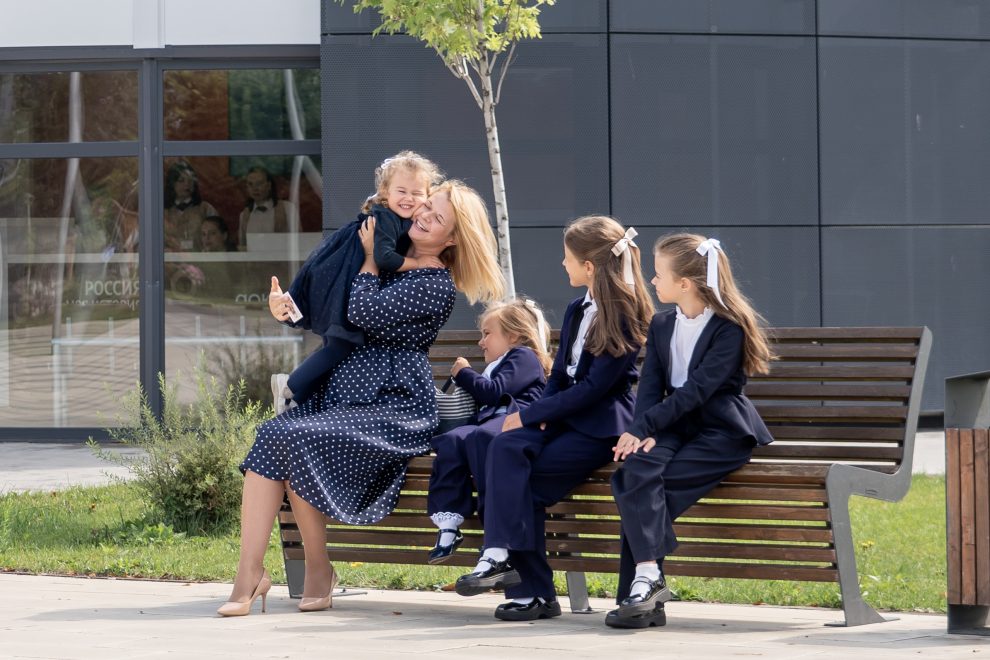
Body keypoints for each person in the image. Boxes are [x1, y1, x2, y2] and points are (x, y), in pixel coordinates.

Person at [216, 180, 505, 617]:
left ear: (452, 239)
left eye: (437, 216)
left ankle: (318, 570)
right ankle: (249, 574)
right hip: (347, 397)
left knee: (295, 437)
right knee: (274, 434)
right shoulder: (393, 256)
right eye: (427, 205)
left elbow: (362, 311)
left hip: (395, 406)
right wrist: (287, 308)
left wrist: (371, 257)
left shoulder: (434, 282)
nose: (423, 214)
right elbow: (333, 303)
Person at [453, 216, 654, 622]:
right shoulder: (576, 308)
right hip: (564, 417)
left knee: (521, 483)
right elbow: (560, 375)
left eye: (567, 258)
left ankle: (532, 592)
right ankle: (498, 556)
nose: (562, 265)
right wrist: (536, 418)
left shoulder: (624, 314)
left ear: (590, 267)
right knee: (504, 445)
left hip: (601, 427)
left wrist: (533, 413)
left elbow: (595, 389)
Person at [604, 233, 774, 629]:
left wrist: (649, 424)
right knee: (633, 472)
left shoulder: (728, 328)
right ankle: (647, 581)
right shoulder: (662, 323)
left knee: (644, 492)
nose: (652, 281)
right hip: (673, 426)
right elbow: (650, 385)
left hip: (720, 432)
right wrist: (639, 430)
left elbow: (698, 391)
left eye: (658, 273)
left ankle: (640, 594)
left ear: (686, 283)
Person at [269, 152, 444, 412]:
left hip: (344, 276)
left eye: (417, 194)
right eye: (401, 191)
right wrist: (417, 264)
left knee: (336, 344)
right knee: (340, 344)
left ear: (428, 195)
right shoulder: (386, 220)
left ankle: (293, 398)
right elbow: (384, 258)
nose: (409, 199)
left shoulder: (395, 219)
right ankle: (291, 387)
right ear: (385, 191)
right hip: (346, 276)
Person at [426, 298, 552, 563]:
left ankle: (494, 529)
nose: (481, 342)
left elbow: (495, 394)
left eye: (487, 334)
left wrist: (465, 373)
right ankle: (448, 524)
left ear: (514, 335)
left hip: (514, 422)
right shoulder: (501, 361)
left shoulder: (524, 356)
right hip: (489, 423)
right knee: (450, 440)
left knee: (484, 437)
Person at [237, 166, 297, 248]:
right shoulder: (244, 215)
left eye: (259, 183)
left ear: (269, 185)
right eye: (250, 184)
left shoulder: (287, 209)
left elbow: (298, 241)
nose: (255, 188)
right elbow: (243, 247)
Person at [164, 161, 218, 251]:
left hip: (201, 260)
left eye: (190, 181)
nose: (187, 184)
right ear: (172, 184)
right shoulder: (163, 212)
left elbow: (217, 237)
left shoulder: (205, 208)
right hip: (172, 262)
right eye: (181, 181)